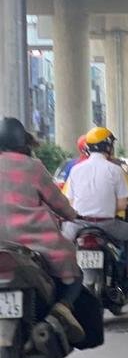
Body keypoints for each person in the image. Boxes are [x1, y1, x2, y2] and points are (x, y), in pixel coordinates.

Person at [0, 118, 84, 339]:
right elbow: (57, 201)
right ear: (24, 143)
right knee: (74, 275)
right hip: (34, 240)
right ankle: (62, 308)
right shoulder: (33, 166)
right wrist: (71, 215)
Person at [62, 126, 128, 297]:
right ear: (108, 146)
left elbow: (69, 201)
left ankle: (63, 278)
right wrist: (104, 208)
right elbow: (122, 205)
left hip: (77, 225)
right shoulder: (115, 170)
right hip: (106, 225)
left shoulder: (76, 170)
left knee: (62, 245)